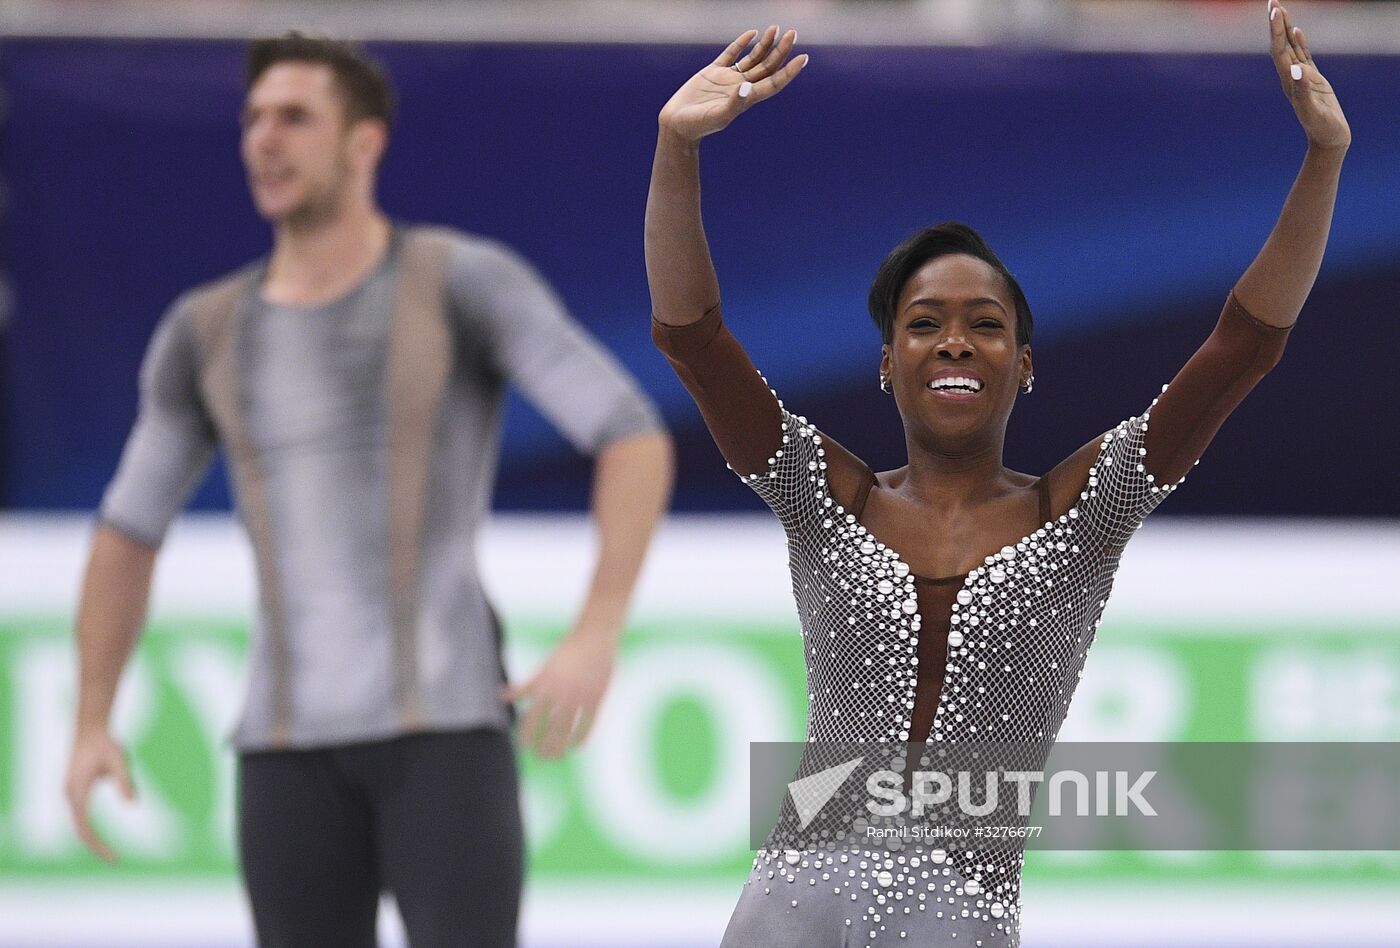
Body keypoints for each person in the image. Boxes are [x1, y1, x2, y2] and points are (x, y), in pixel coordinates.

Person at [646, 4, 1346, 945]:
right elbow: (692, 338)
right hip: (791, 904)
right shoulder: (824, 496)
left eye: (986, 323)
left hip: (960, 914)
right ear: (888, 362)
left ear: (1023, 362)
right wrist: (675, 147)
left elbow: (1244, 345)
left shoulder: (1086, 511)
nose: (955, 342)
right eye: (924, 322)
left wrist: (1324, 158)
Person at [64, 32, 674, 948]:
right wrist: (91, 718)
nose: (264, 140)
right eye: (254, 118)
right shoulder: (205, 329)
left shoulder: (461, 281)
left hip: (446, 731)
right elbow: (127, 527)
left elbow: (628, 431)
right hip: (282, 749)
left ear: (364, 143)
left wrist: (598, 629)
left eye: (295, 117)